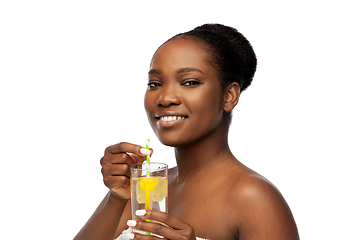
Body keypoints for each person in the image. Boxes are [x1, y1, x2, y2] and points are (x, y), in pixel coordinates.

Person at [74, 23, 299, 240]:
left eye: (189, 82)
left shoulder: (253, 197)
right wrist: (116, 197)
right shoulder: (150, 188)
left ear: (229, 96)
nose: (165, 98)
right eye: (154, 84)